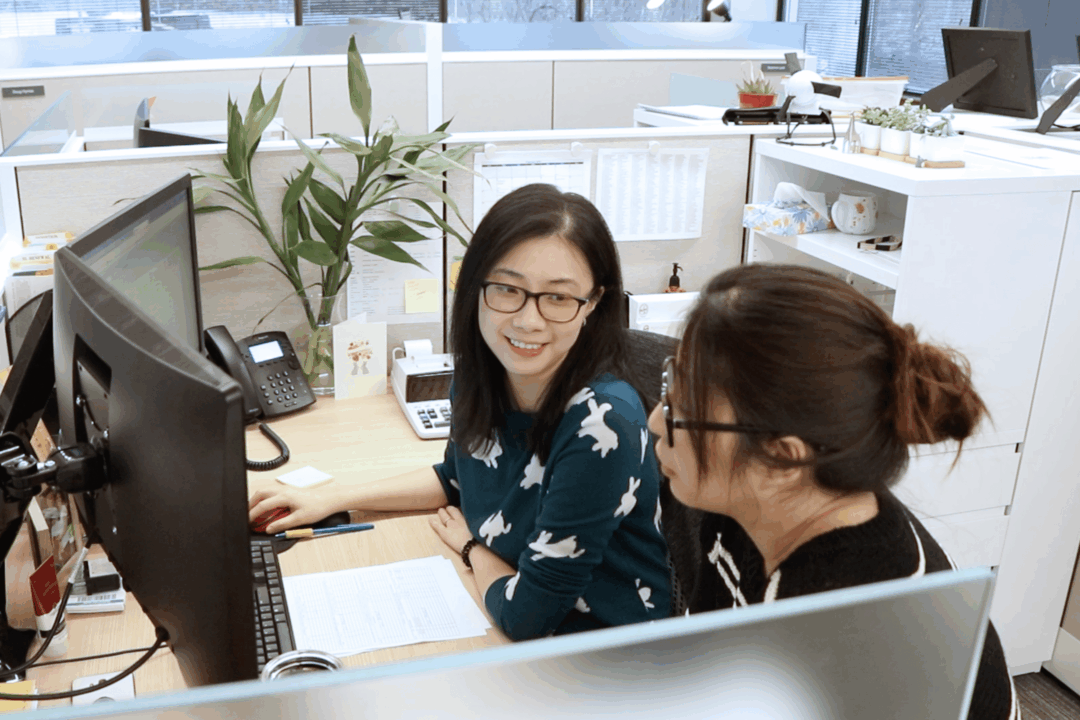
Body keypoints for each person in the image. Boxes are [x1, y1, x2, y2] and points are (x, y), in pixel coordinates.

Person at [249, 183, 671, 640]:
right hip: (508, 616)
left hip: (604, 654)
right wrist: (335, 497)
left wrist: (474, 549)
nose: (528, 320)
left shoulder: (602, 423)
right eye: (508, 289)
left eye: (558, 298)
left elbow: (527, 619)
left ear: (593, 304)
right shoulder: (482, 373)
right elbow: (455, 477)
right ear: (475, 288)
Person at [650, 264, 1017, 719]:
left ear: (783, 457)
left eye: (680, 411)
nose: (654, 422)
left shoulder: (839, 635)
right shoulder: (752, 502)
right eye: (670, 388)